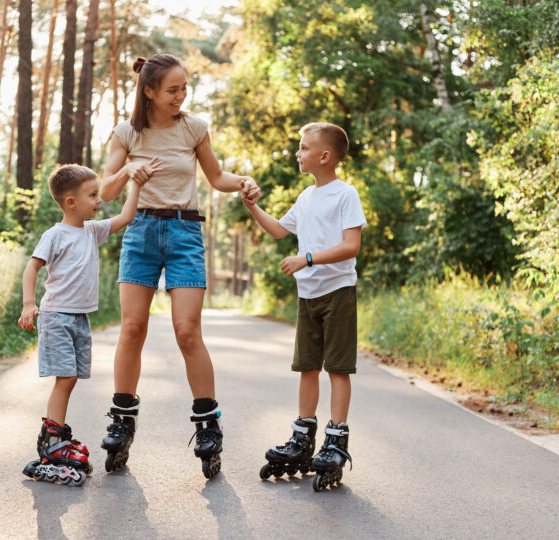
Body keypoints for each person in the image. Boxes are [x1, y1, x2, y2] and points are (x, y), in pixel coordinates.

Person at [98, 53, 259, 478]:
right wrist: (131, 168)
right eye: (173, 89)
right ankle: (122, 418)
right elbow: (104, 190)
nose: (181, 96)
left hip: (185, 232)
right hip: (141, 233)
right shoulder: (127, 132)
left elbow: (217, 177)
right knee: (132, 327)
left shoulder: (194, 128)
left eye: (184, 88)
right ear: (149, 91)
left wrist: (243, 182)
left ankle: (208, 425)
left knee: (187, 331)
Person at [244, 122, 366, 491]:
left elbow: (351, 247)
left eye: (303, 147)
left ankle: (336, 440)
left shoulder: (345, 195)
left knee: (338, 368)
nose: (298, 153)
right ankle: (302, 438)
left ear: (324, 156)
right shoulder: (306, 196)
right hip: (307, 295)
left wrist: (307, 259)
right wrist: (253, 206)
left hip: (338, 291)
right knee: (307, 368)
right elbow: (281, 230)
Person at [18, 164, 145, 485]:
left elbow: (126, 218)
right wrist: (28, 304)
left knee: (72, 378)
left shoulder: (92, 230)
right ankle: (51, 438)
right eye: (92, 195)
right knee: (66, 377)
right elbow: (31, 268)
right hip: (56, 316)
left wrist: (136, 184)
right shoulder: (54, 235)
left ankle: (55, 434)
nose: (99, 200)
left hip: (80, 318)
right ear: (71, 202)